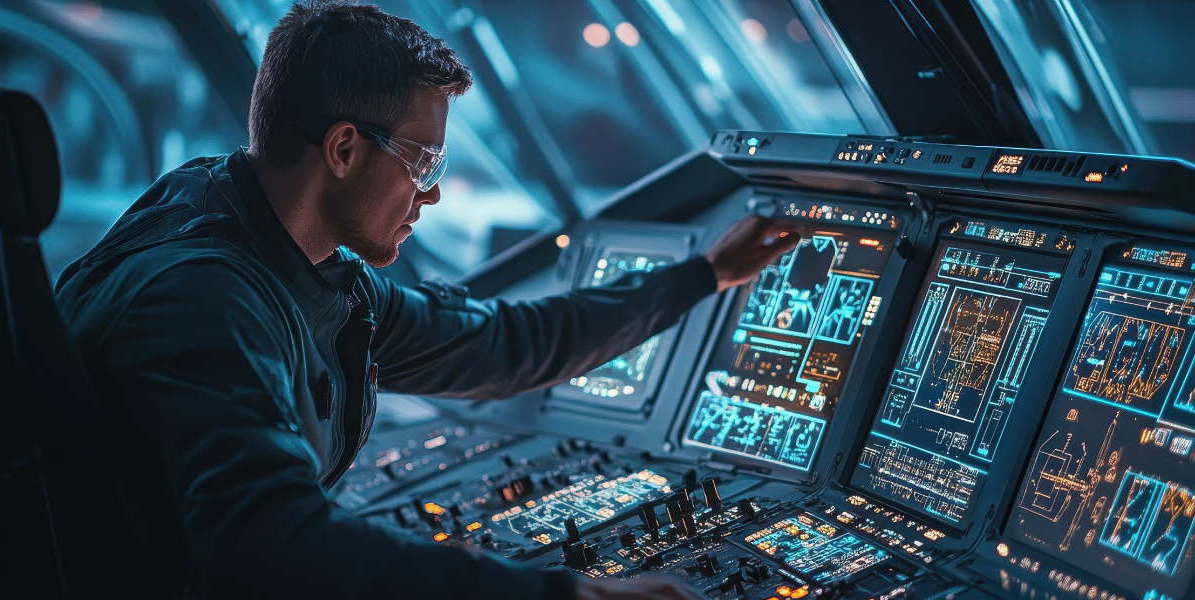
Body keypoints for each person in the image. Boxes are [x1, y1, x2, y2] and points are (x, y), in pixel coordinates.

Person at [54, 1, 801, 598]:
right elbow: (271, 547)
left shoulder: (271, 242)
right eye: (423, 159)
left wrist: (703, 274)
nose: (435, 191)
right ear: (343, 149)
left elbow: (500, 343)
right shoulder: (204, 301)